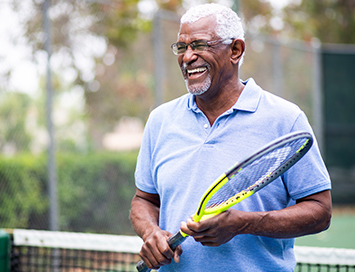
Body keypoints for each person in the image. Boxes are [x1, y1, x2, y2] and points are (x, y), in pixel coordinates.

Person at [130, 3, 332, 272]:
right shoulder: (160, 121)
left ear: (235, 50)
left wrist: (243, 222)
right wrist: (151, 232)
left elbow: (320, 211)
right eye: (182, 47)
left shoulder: (286, 119)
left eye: (200, 45)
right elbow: (143, 200)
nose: (187, 57)